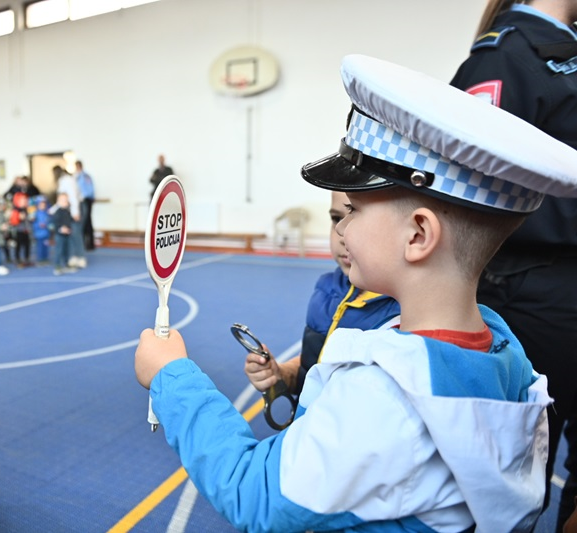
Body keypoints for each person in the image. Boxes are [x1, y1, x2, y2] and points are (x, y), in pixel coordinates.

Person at [135, 54, 577, 532]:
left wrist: (171, 377)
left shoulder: (386, 396)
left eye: (356, 209)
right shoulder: (502, 349)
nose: (342, 225)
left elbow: (254, 493)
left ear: (417, 236)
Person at [449, 1, 577, 528]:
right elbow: (466, 192)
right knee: (510, 471)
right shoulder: (509, 55)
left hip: (551, 292)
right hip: (532, 292)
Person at [245, 191, 400, 397]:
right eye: (336, 218)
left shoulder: (405, 315)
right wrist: (282, 374)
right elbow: (312, 366)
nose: (342, 233)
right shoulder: (327, 289)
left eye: (358, 217)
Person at [53, 165, 86, 269]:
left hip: (75, 208)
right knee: (70, 234)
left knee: (76, 233)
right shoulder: (63, 181)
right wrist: (52, 210)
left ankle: (81, 257)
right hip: (69, 208)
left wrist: (75, 213)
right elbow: (61, 200)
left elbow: (73, 197)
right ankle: (73, 257)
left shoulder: (67, 180)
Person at [50, 191, 76, 276]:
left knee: (67, 250)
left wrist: (69, 229)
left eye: (66, 200)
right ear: (58, 202)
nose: (65, 202)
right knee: (59, 250)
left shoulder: (67, 211)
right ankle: (57, 266)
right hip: (59, 235)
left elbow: (69, 221)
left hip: (67, 235)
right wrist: (61, 229)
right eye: (62, 201)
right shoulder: (57, 212)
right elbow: (56, 223)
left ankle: (66, 264)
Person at [75, 161, 95, 251]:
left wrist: (84, 196)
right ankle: (82, 243)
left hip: (86, 200)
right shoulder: (75, 176)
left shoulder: (85, 176)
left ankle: (90, 244)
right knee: (82, 222)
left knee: (87, 222)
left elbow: (90, 189)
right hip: (79, 201)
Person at [31, 195, 51, 265]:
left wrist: (48, 226)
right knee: (40, 247)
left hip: (46, 233)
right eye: (41, 204)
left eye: (44, 204)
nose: (42, 206)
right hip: (39, 234)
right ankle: (40, 258)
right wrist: (38, 226)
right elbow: (34, 223)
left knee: (46, 246)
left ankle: (45, 258)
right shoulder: (36, 214)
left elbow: (49, 222)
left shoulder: (47, 213)